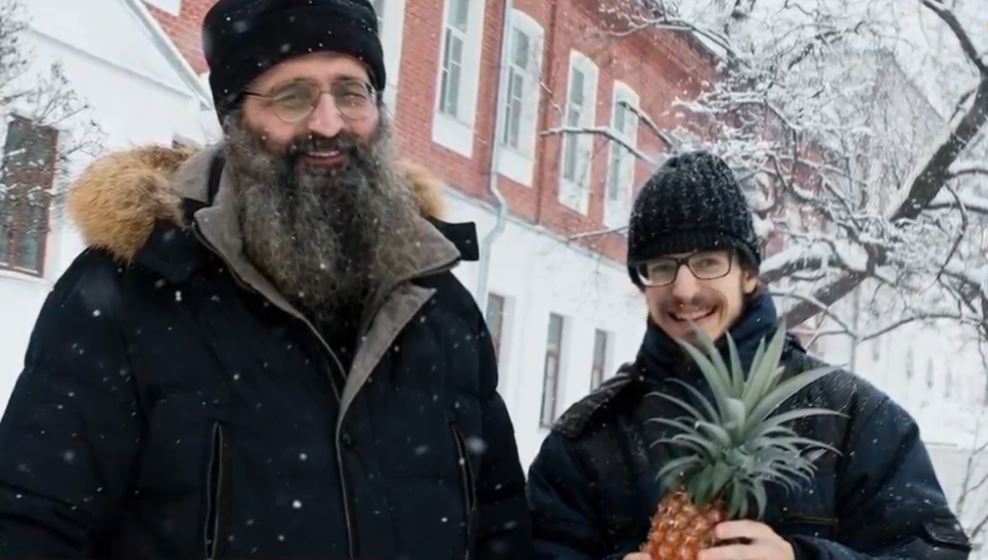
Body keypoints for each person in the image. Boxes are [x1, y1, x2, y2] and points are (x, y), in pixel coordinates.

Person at [0, 1, 531, 557]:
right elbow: (30, 527)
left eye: (351, 92)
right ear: (236, 121)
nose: (328, 123)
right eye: (292, 96)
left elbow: (502, 536)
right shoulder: (132, 293)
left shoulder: (439, 308)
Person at [526, 151, 970, 560]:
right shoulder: (586, 441)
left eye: (708, 261)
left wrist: (804, 559)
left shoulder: (855, 420)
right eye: (661, 267)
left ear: (750, 273)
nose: (684, 289)